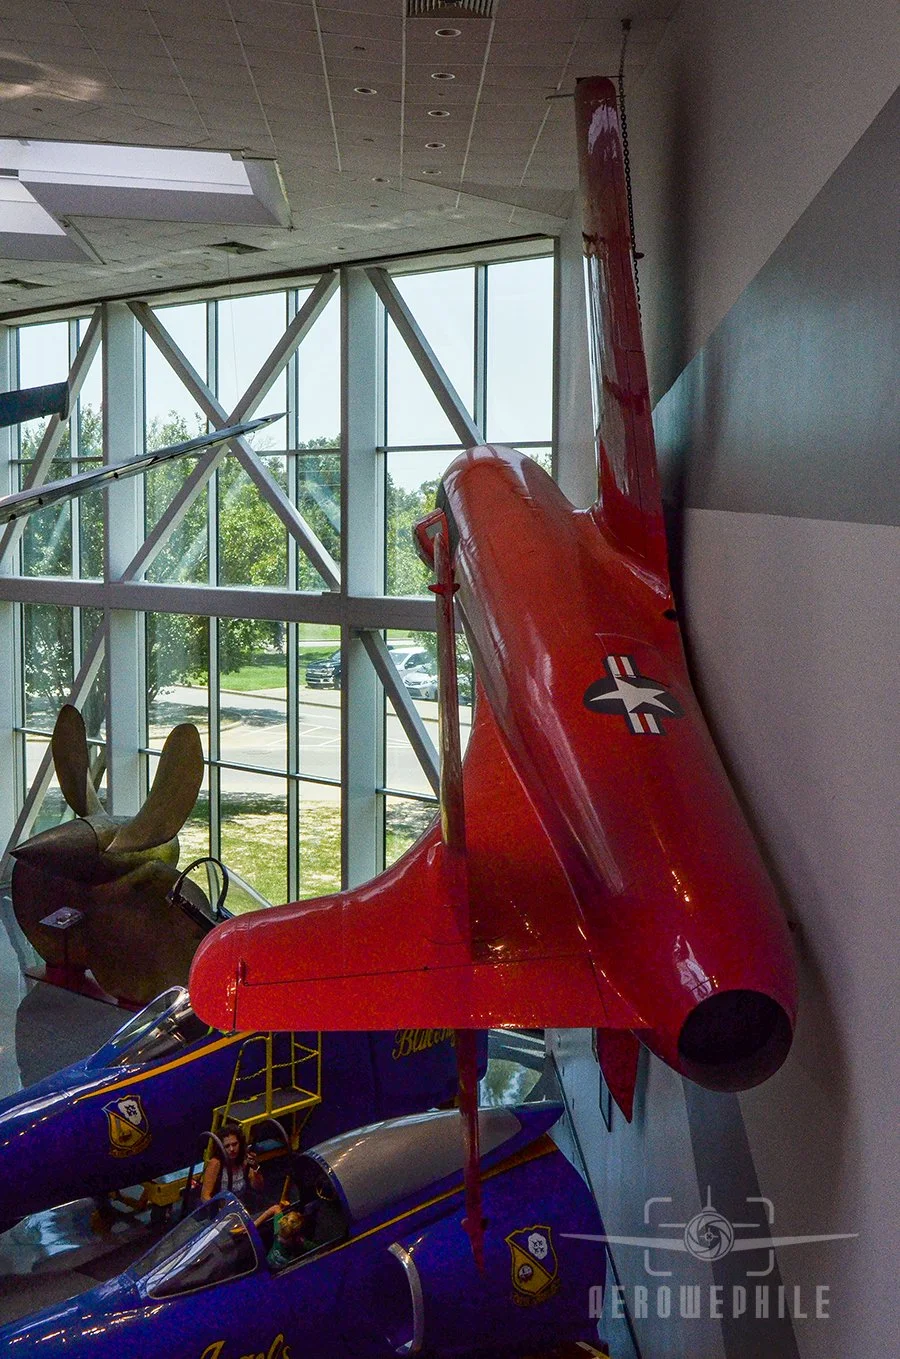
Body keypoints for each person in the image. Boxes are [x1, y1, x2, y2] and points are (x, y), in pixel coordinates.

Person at [200, 1122, 263, 1208]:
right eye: (227, 1146)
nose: (232, 1149)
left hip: (242, 1209)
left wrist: (255, 1167)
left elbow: (258, 1187)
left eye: (234, 1144)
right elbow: (205, 1196)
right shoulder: (215, 1163)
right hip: (221, 1212)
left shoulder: (244, 1161)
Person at [255, 1202, 316, 1270]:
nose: (279, 1239)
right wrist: (255, 1224)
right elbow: (275, 1208)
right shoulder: (280, 1228)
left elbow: (318, 1250)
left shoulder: (302, 1243)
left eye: (284, 1238)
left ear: (295, 1237)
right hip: (266, 1265)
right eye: (279, 1236)